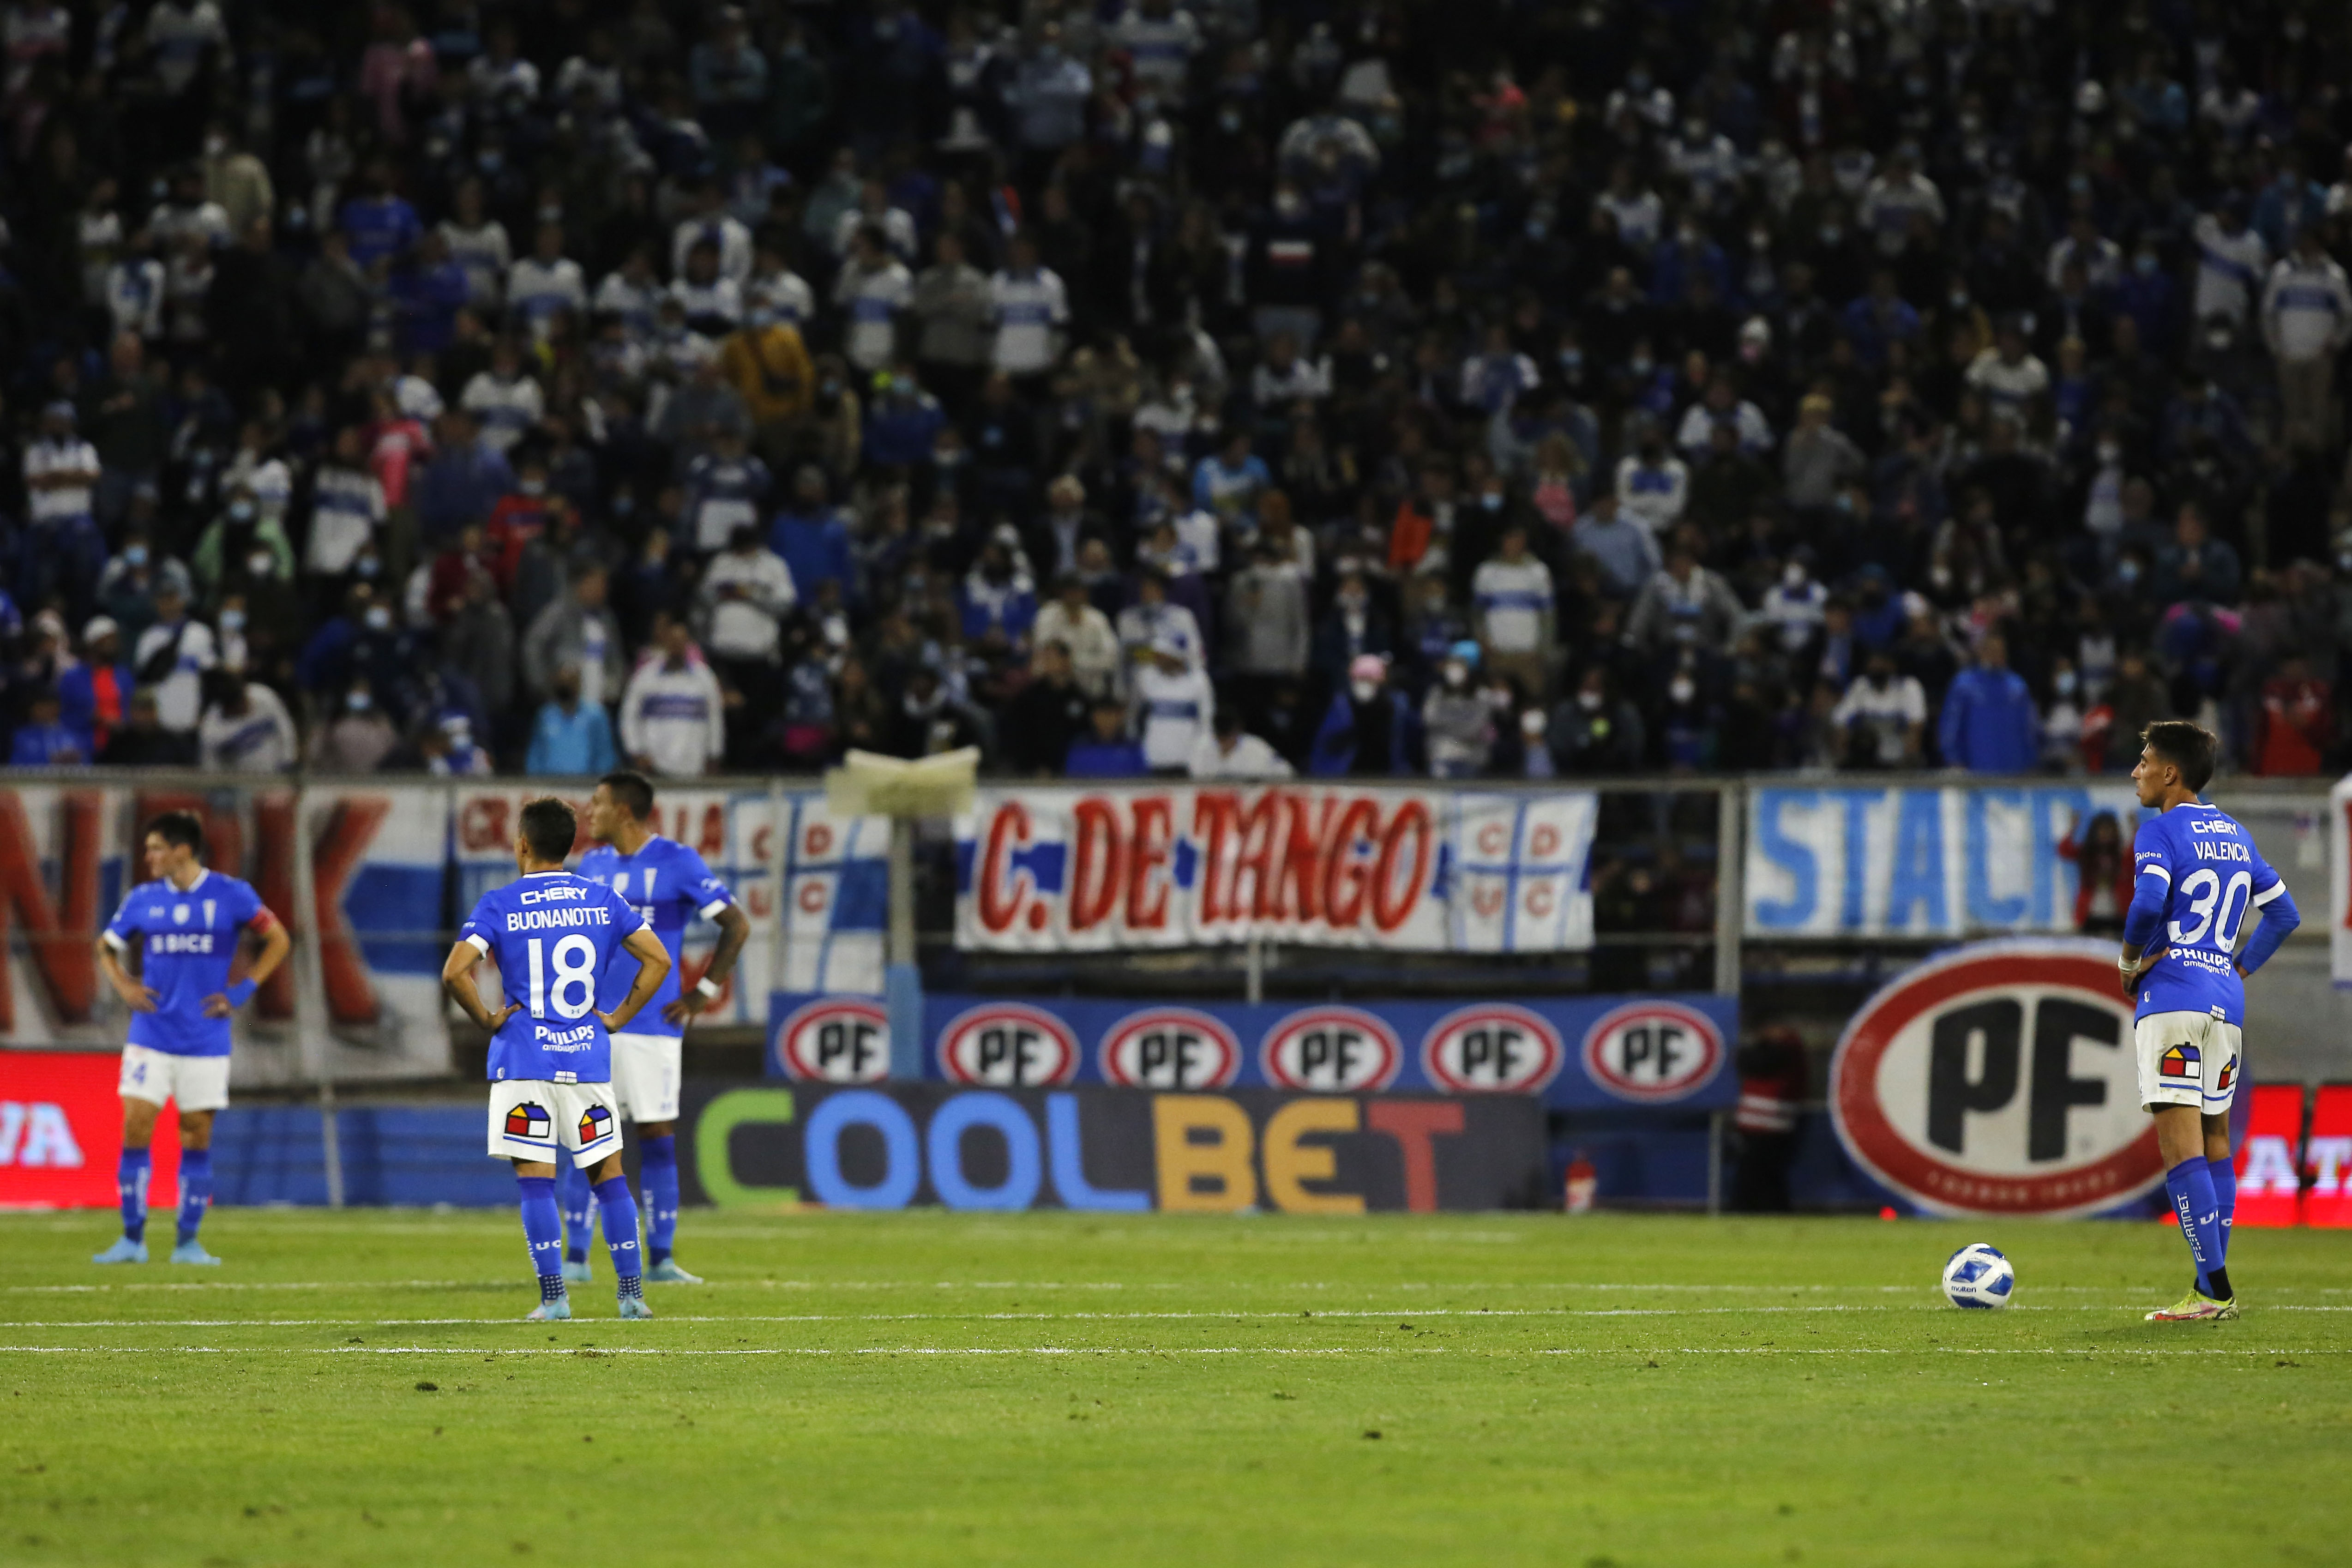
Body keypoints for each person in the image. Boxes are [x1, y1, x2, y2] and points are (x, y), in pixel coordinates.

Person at [442, 795, 671, 1322]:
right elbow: (657, 958)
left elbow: (456, 971)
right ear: (571, 846)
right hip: (588, 1059)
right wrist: (615, 1017)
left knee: (536, 1180)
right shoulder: (603, 899)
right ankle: (632, 1296)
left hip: (525, 1060)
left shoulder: (500, 903)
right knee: (610, 1176)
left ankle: (554, 1299)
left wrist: (487, 1018)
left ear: (522, 844)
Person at [2118, 721, 2300, 1322]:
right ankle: (2210, 1286)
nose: (2135, 771)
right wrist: (2238, 968)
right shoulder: (2235, 836)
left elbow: (2147, 902)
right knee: (2215, 1136)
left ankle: (2213, 1291)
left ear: (2171, 772)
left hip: (2171, 997)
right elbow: (2283, 914)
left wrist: (2127, 962)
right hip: (2224, 998)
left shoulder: (2159, 832)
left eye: (2143, 760)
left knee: (2179, 1146)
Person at [564, 772, 752, 1287]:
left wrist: (703, 993)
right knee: (583, 1138)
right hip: (592, 1023)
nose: (590, 810)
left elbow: (737, 924)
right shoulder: (593, 864)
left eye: (598, 802)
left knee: (655, 1135)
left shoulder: (678, 861)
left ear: (625, 810)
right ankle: (576, 1260)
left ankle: (662, 1259)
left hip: (652, 1025)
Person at [91, 812, 291, 1266]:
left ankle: (186, 1243)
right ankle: (132, 1240)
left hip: (205, 1037)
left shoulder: (232, 894)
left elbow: (278, 939)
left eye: (156, 847)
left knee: (196, 1135)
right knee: (137, 1125)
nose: (148, 857)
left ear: (182, 851)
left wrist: (243, 990)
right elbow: (106, 946)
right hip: (150, 1034)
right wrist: (124, 986)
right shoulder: (142, 898)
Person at [525, 662, 619, 776]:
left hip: (585, 784)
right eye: (562, 681)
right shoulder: (546, 715)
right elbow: (536, 754)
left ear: (578, 684)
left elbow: (605, 755)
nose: (566, 685)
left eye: (570, 681)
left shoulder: (595, 715)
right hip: (550, 783)